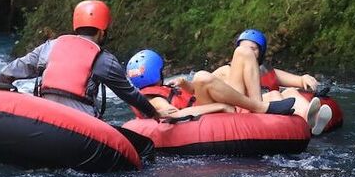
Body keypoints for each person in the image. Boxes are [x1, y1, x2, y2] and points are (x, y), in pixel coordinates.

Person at [0, 0, 178, 120]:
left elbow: (12, 70)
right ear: (102, 32)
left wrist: (4, 86)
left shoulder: (50, 46)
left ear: (76, 26)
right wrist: (154, 113)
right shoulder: (104, 59)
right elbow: (129, 94)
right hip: (80, 123)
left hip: (44, 117)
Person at [212, 29, 333, 135]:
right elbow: (204, 86)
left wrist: (306, 78)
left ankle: (312, 117)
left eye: (253, 49)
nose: (248, 52)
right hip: (246, 107)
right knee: (274, 94)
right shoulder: (225, 70)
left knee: (290, 91)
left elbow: (299, 80)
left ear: (261, 52)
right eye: (244, 48)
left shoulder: (266, 71)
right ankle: (298, 120)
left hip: (268, 107)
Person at [125, 49, 296, 119]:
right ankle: (260, 107)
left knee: (243, 52)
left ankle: (257, 105)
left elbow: (191, 94)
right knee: (202, 77)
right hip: (209, 113)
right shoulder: (152, 99)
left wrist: (185, 84)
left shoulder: (159, 89)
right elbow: (175, 115)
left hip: (209, 102)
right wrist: (220, 106)